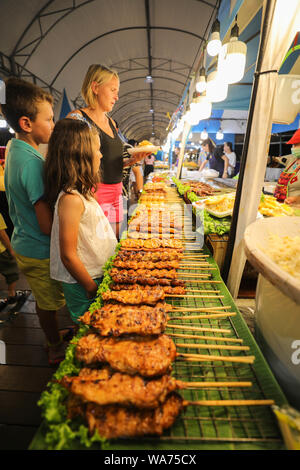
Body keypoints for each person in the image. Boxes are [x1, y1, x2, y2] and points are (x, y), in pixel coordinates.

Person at [0, 77, 68, 365]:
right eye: (49, 119)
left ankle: (53, 333)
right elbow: (45, 224)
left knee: (46, 299)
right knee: (47, 302)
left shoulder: (15, 150)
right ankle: (53, 345)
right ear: (27, 124)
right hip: (38, 248)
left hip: (25, 243)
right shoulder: (32, 164)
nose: (53, 125)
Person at [44, 118, 117, 324]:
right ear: (80, 155)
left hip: (94, 274)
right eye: (97, 149)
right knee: (88, 326)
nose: (101, 155)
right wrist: (91, 287)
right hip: (84, 280)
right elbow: (67, 255)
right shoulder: (70, 199)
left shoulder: (80, 193)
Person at [67, 64, 150, 240]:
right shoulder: (78, 119)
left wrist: (131, 161)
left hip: (117, 191)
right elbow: (71, 166)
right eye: (112, 90)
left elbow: (109, 162)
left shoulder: (112, 123)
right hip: (94, 193)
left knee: (114, 243)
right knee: (97, 245)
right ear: (95, 87)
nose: (117, 97)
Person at [0, 212, 20, 309]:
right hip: (1, 252)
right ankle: (12, 295)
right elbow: (2, 235)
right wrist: (11, 250)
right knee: (12, 271)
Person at [274, 128, 300, 204]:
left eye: (296, 145)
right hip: (283, 208)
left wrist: (296, 199)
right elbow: (274, 161)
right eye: (292, 145)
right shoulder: (292, 159)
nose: (293, 148)